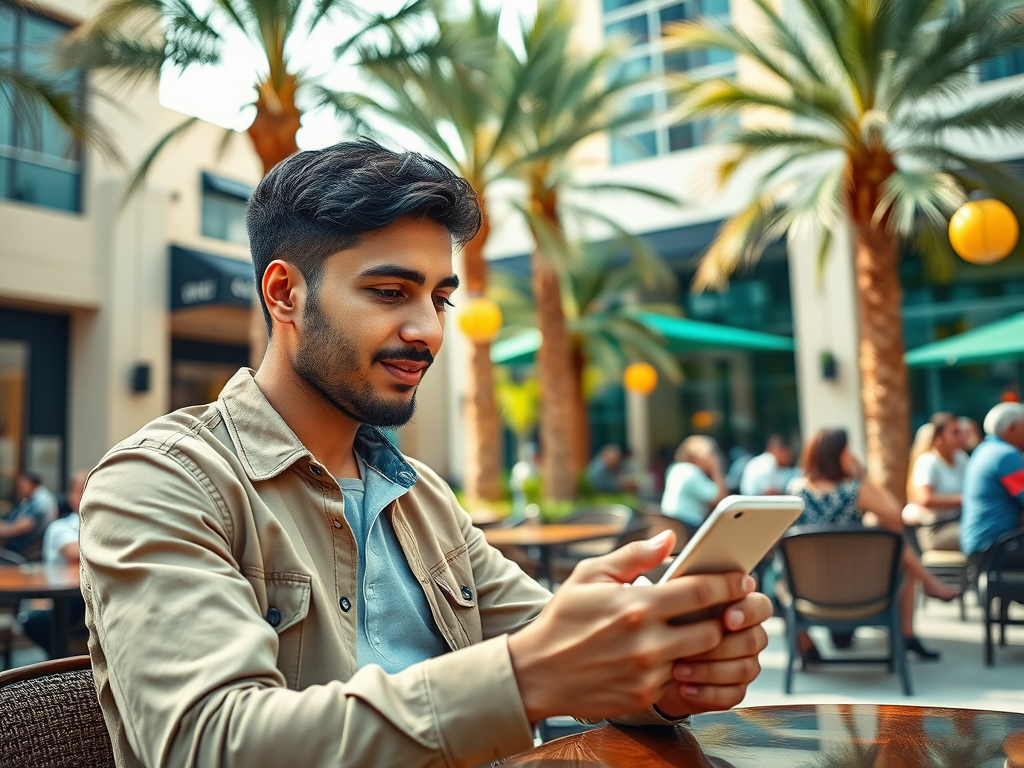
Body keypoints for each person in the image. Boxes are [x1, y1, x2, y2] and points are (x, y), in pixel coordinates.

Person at [79, 140, 772, 768]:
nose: (428, 331)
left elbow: (562, 655)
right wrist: (525, 676)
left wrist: (665, 675)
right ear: (285, 293)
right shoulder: (161, 482)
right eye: (389, 292)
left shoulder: (421, 498)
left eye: (439, 298)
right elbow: (212, 745)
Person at [787, 428, 959, 661]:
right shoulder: (854, 490)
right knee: (897, 544)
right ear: (838, 454)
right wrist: (863, 476)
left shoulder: (795, 490)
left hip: (811, 591)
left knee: (780, 581)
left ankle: (807, 647)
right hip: (861, 588)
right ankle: (908, 633)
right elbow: (898, 516)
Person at [21, 469, 88, 656]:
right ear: (72, 497)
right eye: (83, 490)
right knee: (35, 622)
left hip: (88, 599)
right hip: (63, 600)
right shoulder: (62, 527)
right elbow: (76, 554)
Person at [960, 402, 1024, 569]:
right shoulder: (1005, 455)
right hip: (996, 547)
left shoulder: (984, 449)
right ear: (1012, 428)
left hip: (980, 545)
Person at [906, 413, 968, 552]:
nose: (962, 437)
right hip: (937, 529)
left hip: (960, 521)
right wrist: (962, 499)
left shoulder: (961, 458)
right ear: (939, 437)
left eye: (962, 431)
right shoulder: (927, 462)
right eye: (955, 432)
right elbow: (924, 499)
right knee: (982, 534)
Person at [661, 436, 727, 534]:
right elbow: (719, 499)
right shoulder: (691, 472)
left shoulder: (676, 468)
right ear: (698, 456)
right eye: (711, 454)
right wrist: (716, 469)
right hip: (687, 526)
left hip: (673, 524)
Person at [0, 471, 57, 557]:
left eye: (22, 486)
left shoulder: (41, 500)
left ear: (33, 485)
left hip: (30, 544)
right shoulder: (27, 498)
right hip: (19, 540)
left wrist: (4, 530)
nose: (19, 489)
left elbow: (25, 526)